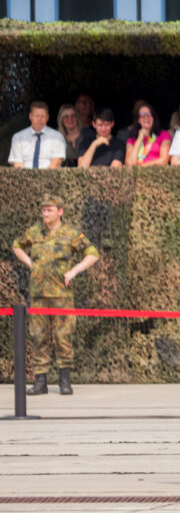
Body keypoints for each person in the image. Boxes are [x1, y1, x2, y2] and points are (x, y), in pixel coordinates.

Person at [12, 194, 99, 395]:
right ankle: (40, 381)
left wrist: (73, 271)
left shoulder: (71, 233)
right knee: (39, 336)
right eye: (43, 210)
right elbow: (17, 245)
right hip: (39, 294)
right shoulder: (35, 232)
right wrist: (30, 263)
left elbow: (93, 254)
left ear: (60, 212)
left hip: (62, 295)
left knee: (63, 336)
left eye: (49, 210)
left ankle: (64, 380)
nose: (45, 213)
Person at [8, 101, 66, 169]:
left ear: (47, 117)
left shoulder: (57, 137)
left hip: (50, 174)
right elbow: (18, 164)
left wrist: (42, 176)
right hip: (24, 174)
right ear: (30, 116)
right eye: (37, 116)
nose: (39, 119)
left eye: (42, 116)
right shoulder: (18, 138)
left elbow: (55, 163)